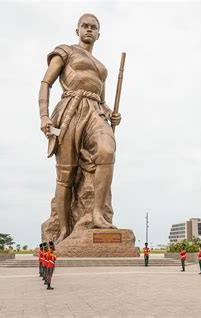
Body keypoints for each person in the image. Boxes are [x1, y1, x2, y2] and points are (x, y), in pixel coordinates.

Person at [38, 13, 122, 243]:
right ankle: (64, 228)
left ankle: (97, 214)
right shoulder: (65, 51)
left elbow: (102, 101)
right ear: (77, 30)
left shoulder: (102, 69)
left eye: (93, 27)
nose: (89, 30)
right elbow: (46, 83)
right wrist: (44, 116)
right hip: (70, 111)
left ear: (98, 34)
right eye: (84, 26)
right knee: (66, 175)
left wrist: (112, 116)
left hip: (95, 113)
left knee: (107, 150)